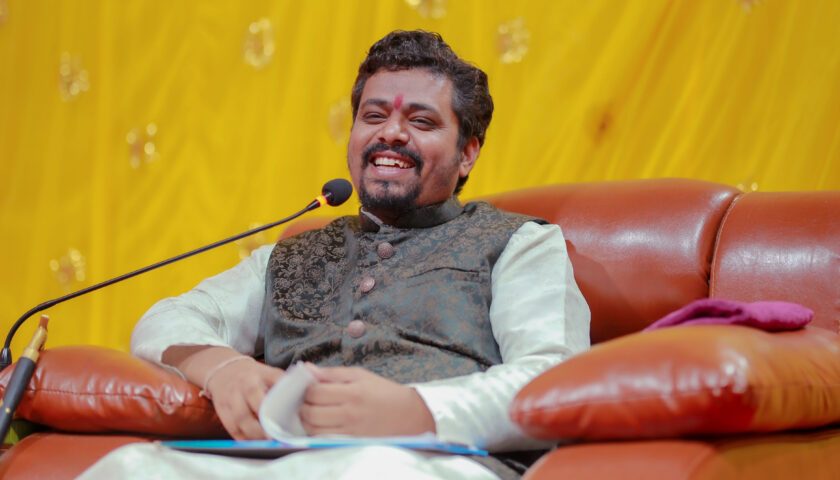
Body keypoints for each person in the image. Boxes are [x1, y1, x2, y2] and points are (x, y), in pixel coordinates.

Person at [83, 30, 590, 480]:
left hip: (427, 464)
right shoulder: (289, 256)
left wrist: (418, 409)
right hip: (280, 462)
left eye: (421, 120)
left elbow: (554, 378)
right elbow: (166, 319)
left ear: (468, 153)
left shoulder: (518, 242)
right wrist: (222, 369)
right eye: (374, 116)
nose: (391, 132)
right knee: (129, 467)